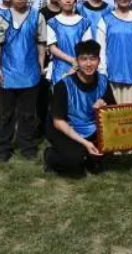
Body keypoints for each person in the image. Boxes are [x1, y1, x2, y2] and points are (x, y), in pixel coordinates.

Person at [0, 0, 47, 162]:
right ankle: (3, 149)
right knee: (6, 114)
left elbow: (41, 42)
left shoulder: (37, 16)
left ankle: (28, 147)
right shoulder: (3, 17)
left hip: (30, 73)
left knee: (28, 114)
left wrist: (41, 63)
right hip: (7, 73)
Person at [44, 40, 116, 176]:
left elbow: (113, 110)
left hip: (92, 129)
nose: (89, 64)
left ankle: (88, 156)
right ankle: (50, 155)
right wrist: (85, 143)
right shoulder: (63, 85)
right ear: (77, 61)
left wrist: (104, 104)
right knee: (75, 162)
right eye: (84, 59)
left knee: (102, 157)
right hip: (66, 130)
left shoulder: (103, 81)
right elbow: (58, 122)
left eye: (93, 59)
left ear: (99, 61)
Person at [47, 0, 92, 86]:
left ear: (75, 0)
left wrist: (77, 65)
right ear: (58, 0)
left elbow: (87, 47)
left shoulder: (84, 23)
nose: (68, 0)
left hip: (81, 68)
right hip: (59, 69)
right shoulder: (52, 22)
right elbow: (52, 48)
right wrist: (73, 61)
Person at [37, 0, 63, 140]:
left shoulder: (68, 11)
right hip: (45, 58)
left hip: (63, 58)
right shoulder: (41, 12)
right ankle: (42, 129)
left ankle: (60, 128)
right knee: (42, 95)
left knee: (60, 95)